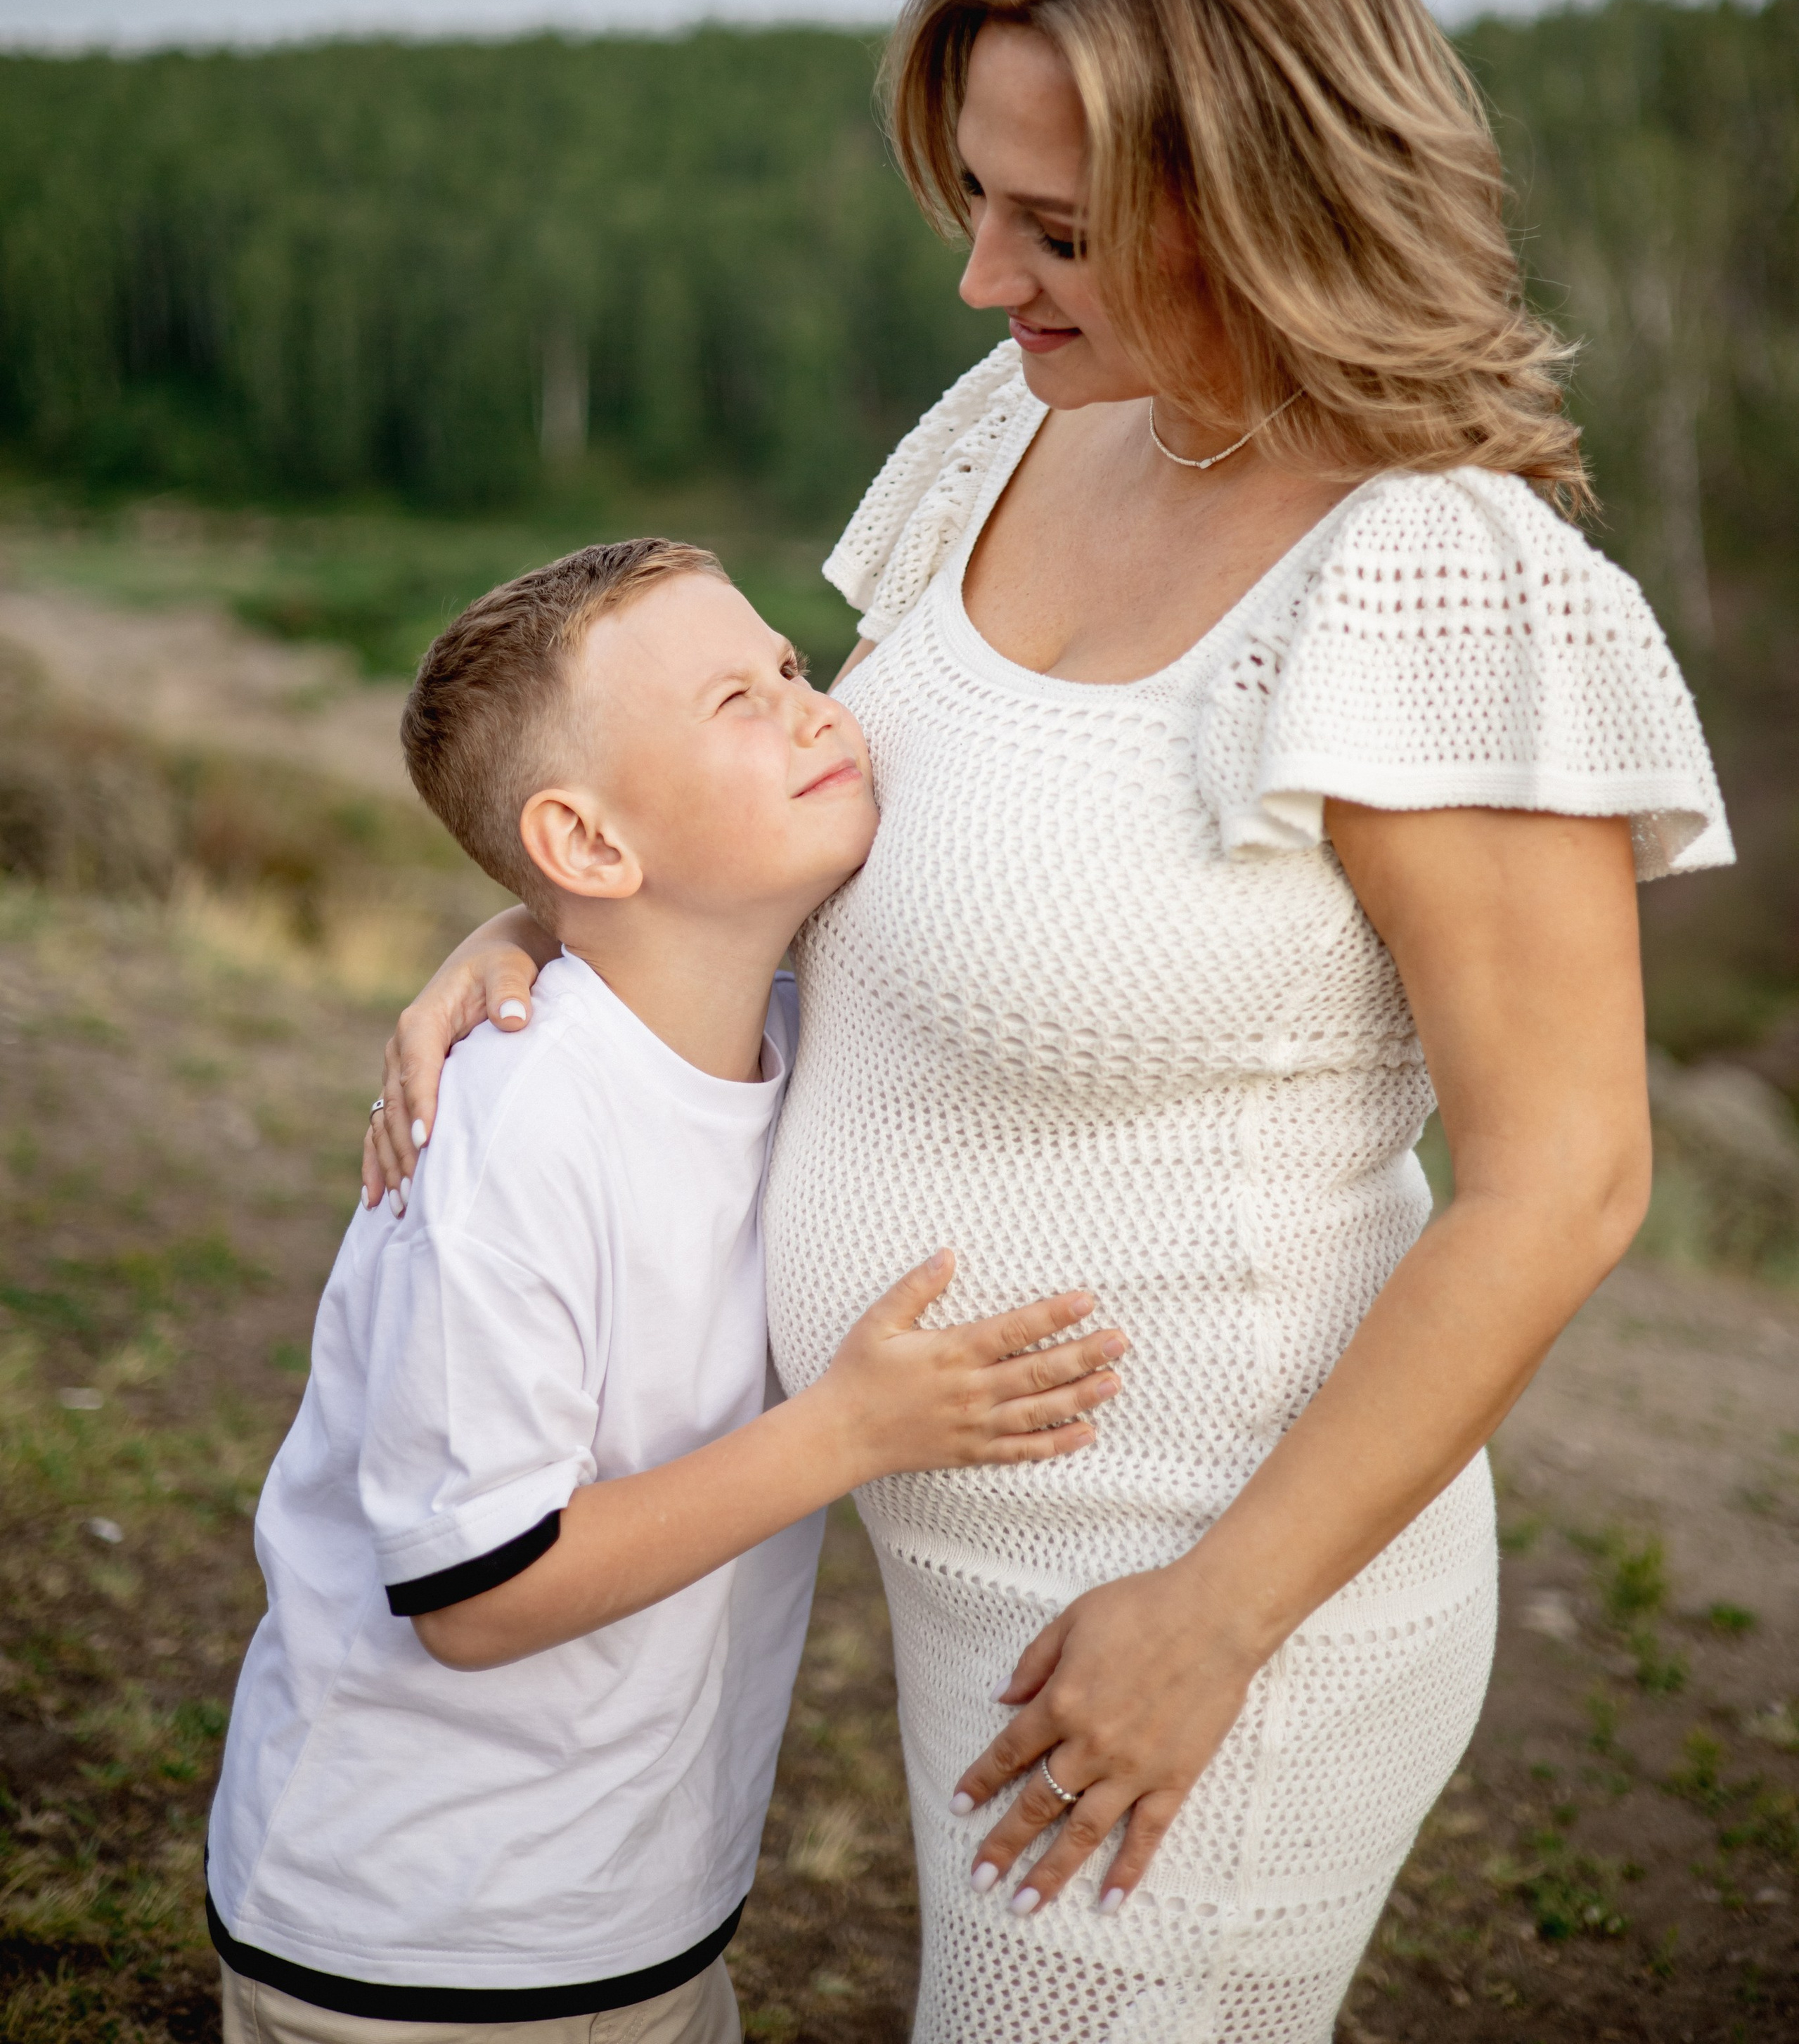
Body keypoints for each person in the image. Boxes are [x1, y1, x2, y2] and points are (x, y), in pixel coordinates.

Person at [366, 0, 1732, 2044]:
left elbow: (1568, 1181)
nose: (989, 278)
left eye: (1063, 228)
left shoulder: (1434, 574)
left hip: (1203, 1587)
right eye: (980, 203)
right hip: (965, 1551)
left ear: (1271, 201)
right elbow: (883, 832)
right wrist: (549, 924)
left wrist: (1216, 1618)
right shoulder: (1033, 415)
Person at [209, 536, 1127, 2044]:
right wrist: (846, 1434)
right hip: (420, 1943)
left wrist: (515, 920)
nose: (815, 707)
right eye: (735, 700)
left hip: (632, 1912)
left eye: (792, 667)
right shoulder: (516, 1137)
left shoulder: (791, 1022)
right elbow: (478, 1593)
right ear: (585, 843)